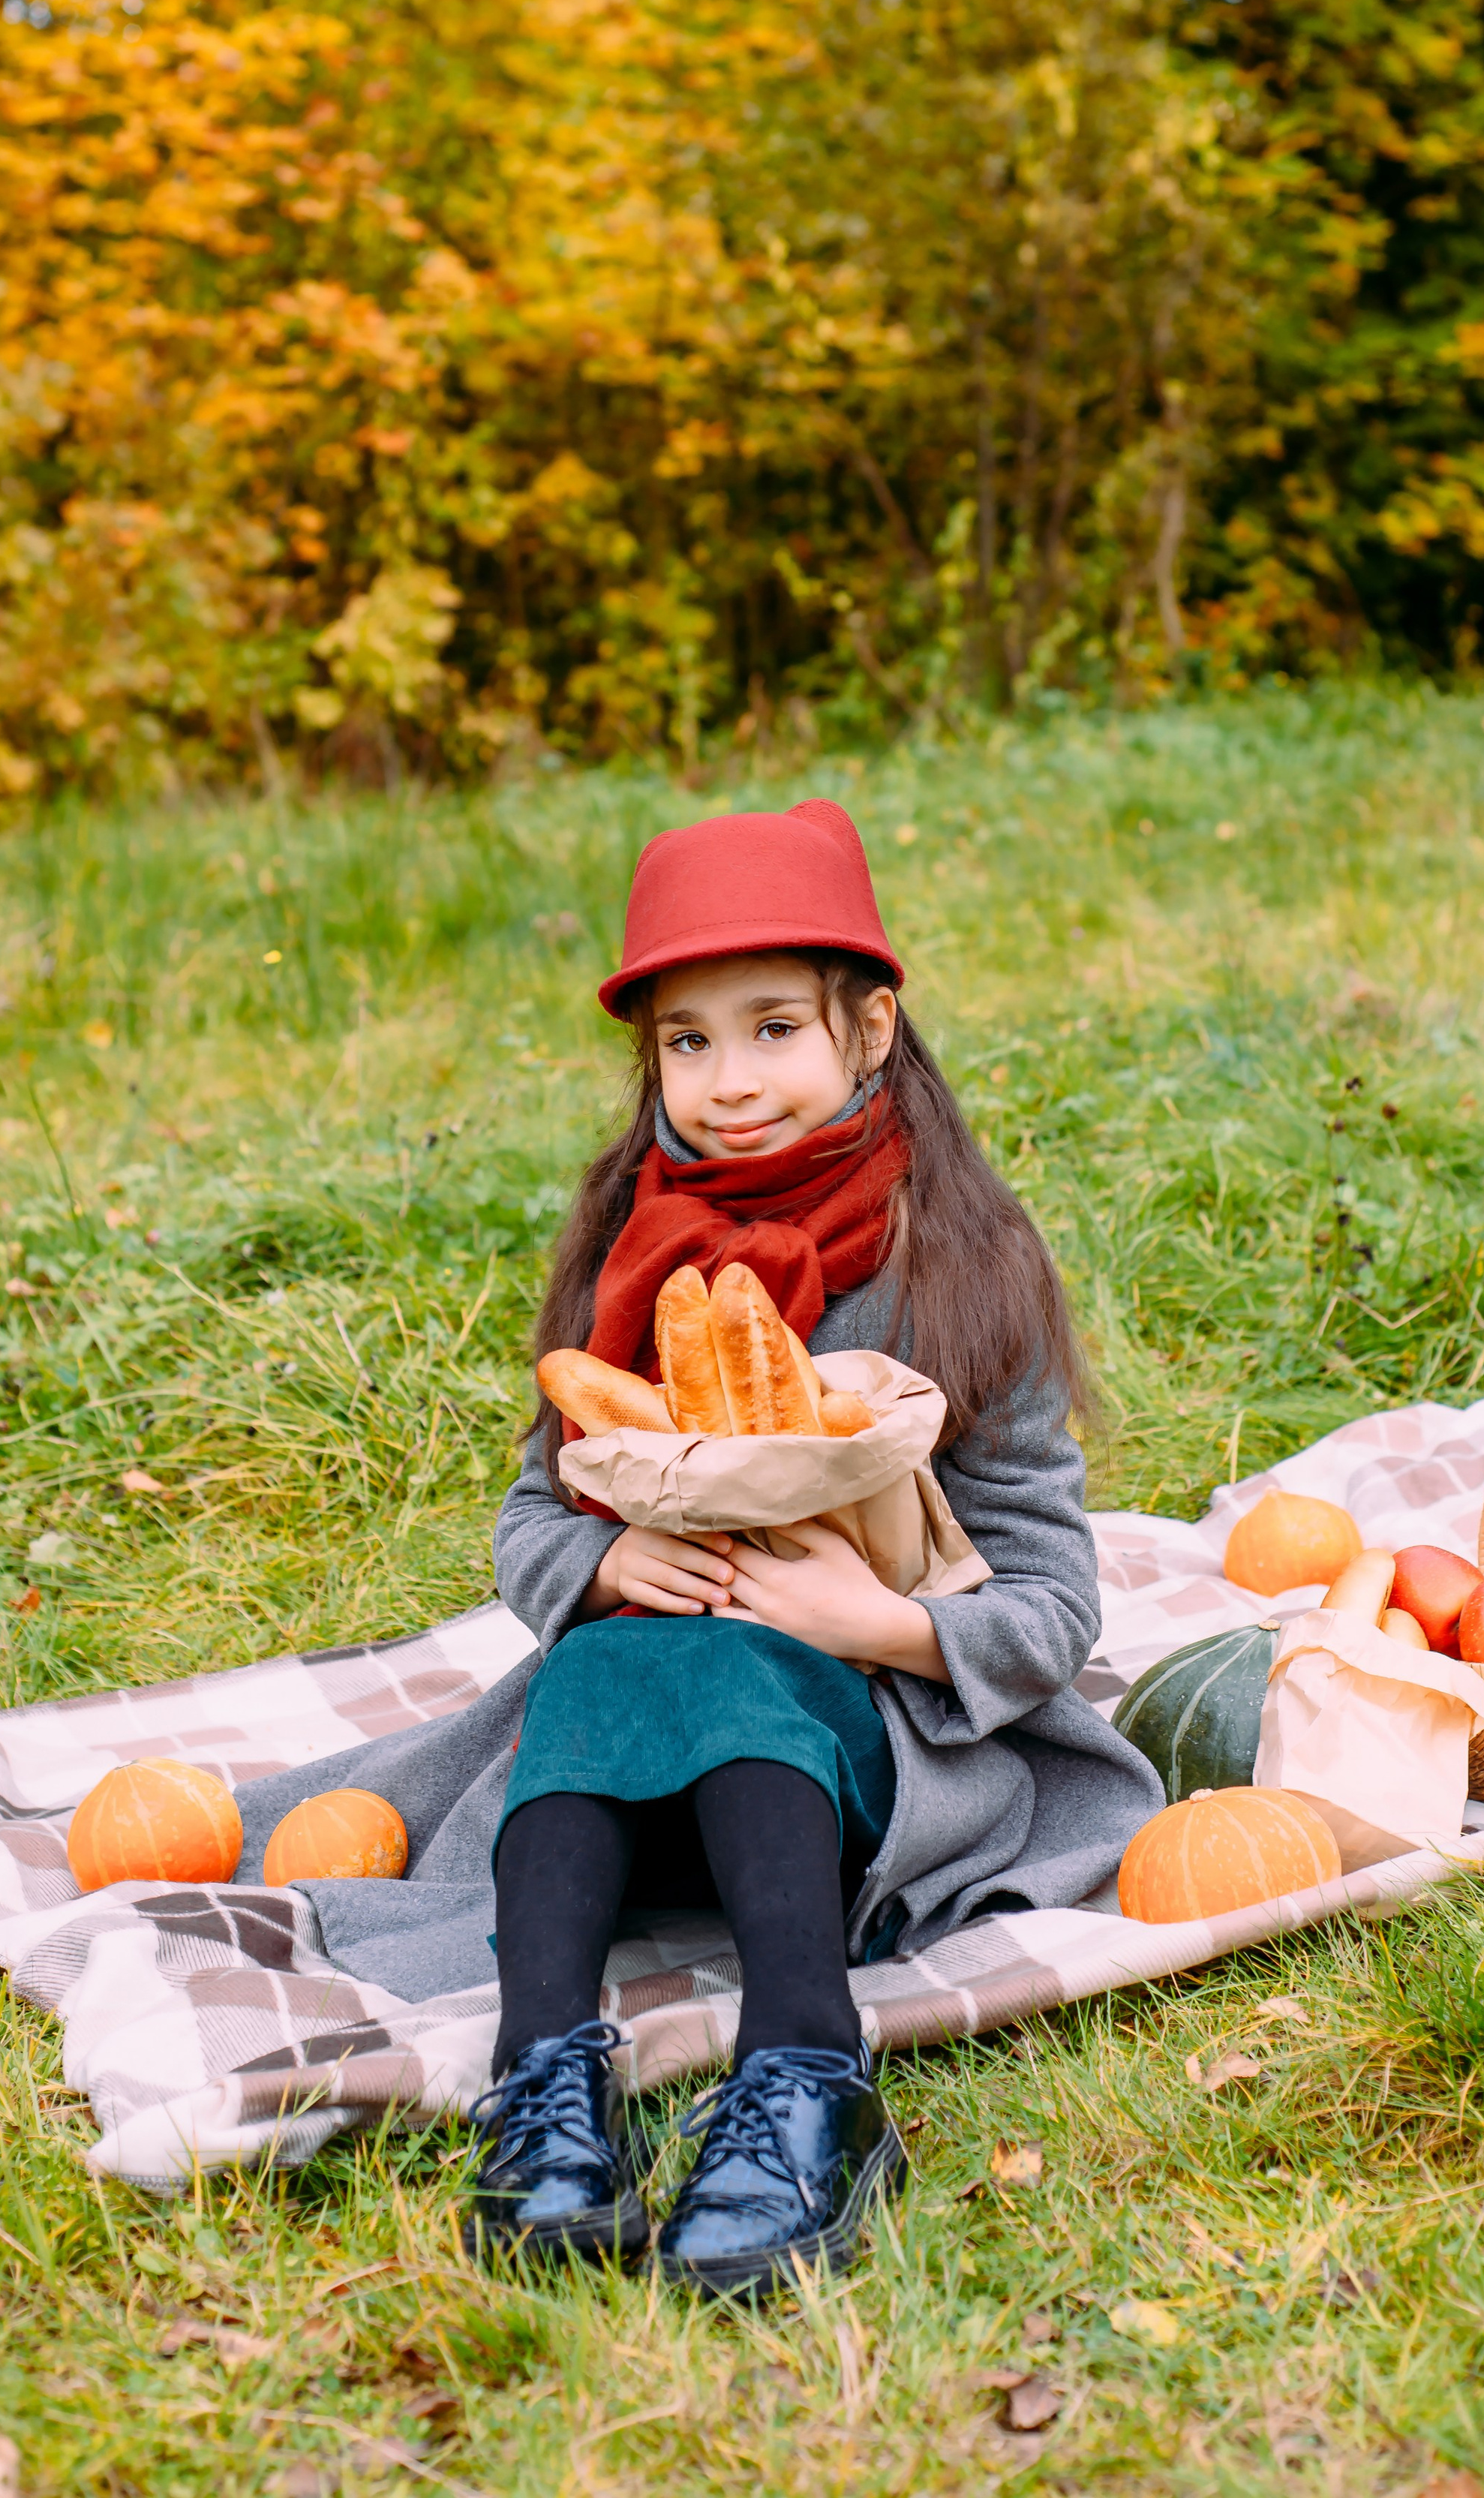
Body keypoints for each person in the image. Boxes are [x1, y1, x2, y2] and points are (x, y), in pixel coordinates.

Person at [462, 797, 1163, 2294]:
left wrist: (873, 1622)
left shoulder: (959, 1261)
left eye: (775, 1028)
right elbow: (533, 1510)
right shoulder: (629, 1246)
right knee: (606, 1659)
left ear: (869, 1028)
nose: (728, 1082)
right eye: (687, 1040)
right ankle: (544, 2082)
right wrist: (600, 1569)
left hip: (864, 1767)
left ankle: (808, 2067)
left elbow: (1054, 1602)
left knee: (726, 1663)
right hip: (633, 1780)